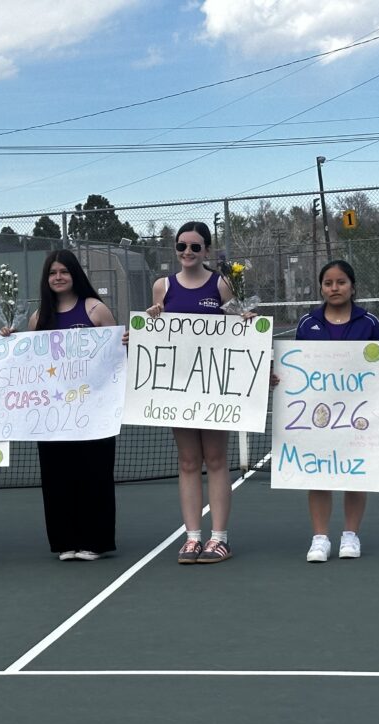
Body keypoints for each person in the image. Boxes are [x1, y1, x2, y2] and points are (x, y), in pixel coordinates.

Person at [4, 250, 118, 561]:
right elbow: (30, 362)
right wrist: (10, 342)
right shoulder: (38, 318)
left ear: (74, 274)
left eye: (64, 271)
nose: (58, 277)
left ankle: (95, 541)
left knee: (94, 475)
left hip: (94, 411)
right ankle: (66, 541)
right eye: (53, 272)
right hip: (52, 414)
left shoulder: (95, 309)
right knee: (57, 476)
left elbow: (114, 356)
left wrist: (125, 343)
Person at [286, 259, 379, 562]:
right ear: (321, 288)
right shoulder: (307, 324)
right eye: (328, 283)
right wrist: (282, 378)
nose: (335, 288)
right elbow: (297, 366)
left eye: (341, 282)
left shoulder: (369, 323)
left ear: (352, 287)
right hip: (317, 416)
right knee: (318, 475)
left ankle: (350, 536)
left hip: (357, 415)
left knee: (355, 474)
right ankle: (320, 539)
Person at [146, 221, 238, 565]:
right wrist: (150, 320)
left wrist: (247, 319)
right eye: (181, 246)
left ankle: (219, 538)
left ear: (206, 251)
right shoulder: (162, 286)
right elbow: (156, 336)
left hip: (215, 387)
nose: (187, 252)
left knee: (215, 459)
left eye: (195, 247)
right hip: (178, 388)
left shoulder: (221, 284)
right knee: (187, 462)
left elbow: (237, 329)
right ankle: (193, 537)